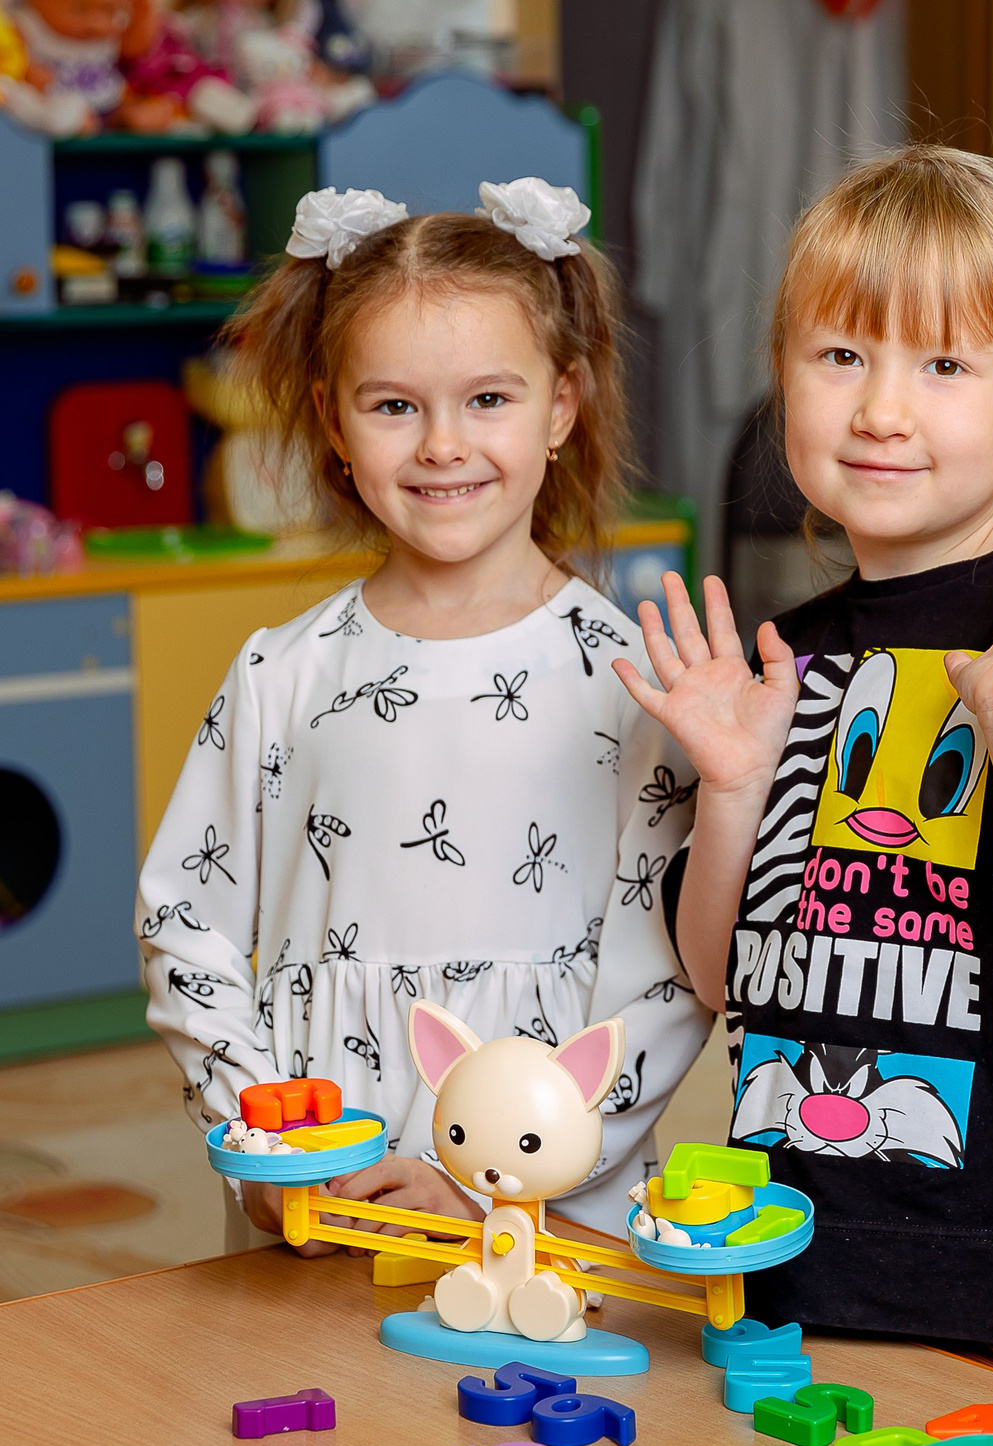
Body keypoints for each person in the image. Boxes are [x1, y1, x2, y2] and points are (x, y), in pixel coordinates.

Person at [612, 146, 993, 1402]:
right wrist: (729, 789)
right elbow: (721, 977)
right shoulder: (795, 657)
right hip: (799, 1260)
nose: (882, 408)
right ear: (783, 377)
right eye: (841, 357)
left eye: (942, 365)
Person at [139, 180, 708, 1250]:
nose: (443, 445)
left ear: (561, 408)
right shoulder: (282, 673)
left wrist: (512, 1186)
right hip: (319, 1193)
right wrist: (261, 1142)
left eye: (488, 399)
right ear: (333, 422)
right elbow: (186, 922)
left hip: (530, 1220)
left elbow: (664, 980)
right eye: (395, 405)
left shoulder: (631, 678)